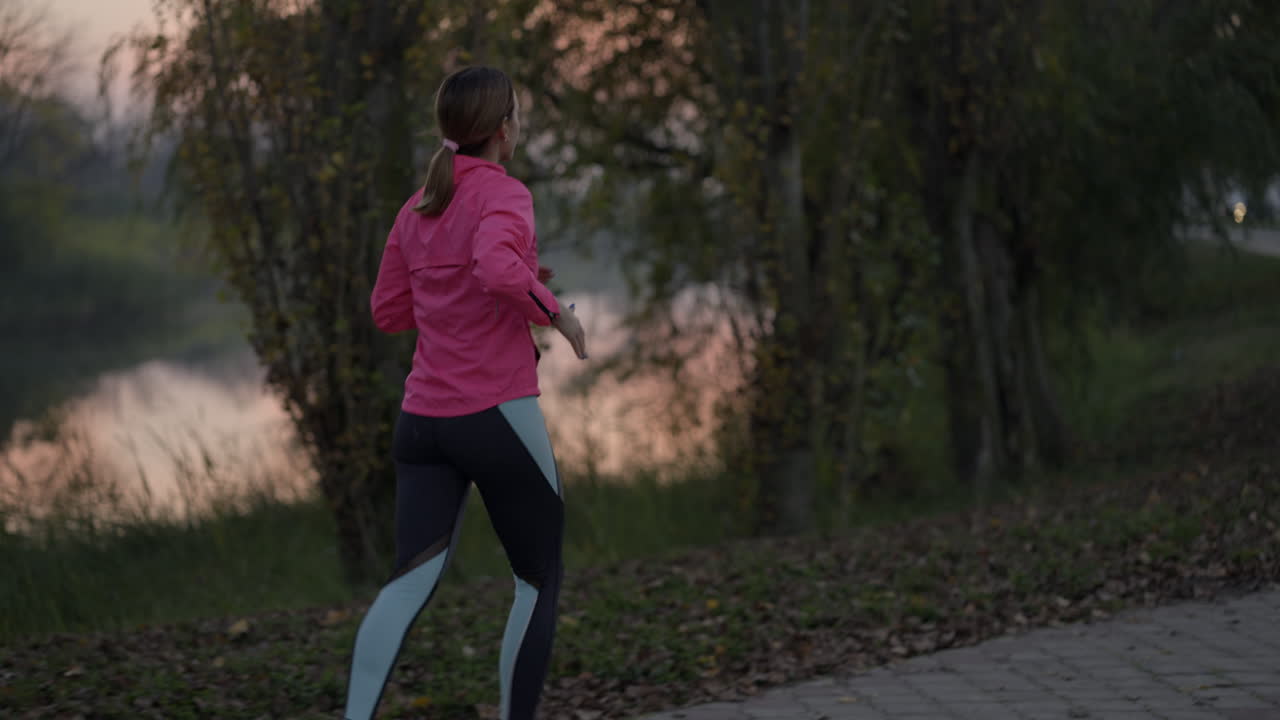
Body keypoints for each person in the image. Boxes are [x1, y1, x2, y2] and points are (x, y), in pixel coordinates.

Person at [343, 65, 588, 720]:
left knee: (407, 584)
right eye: (518, 117)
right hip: (495, 416)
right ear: (502, 129)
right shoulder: (503, 195)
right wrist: (556, 311)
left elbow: (389, 310)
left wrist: (483, 289)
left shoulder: (418, 206)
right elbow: (493, 266)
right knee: (537, 580)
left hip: (422, 424)